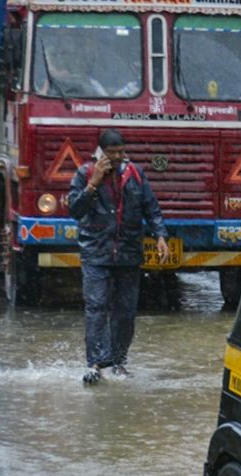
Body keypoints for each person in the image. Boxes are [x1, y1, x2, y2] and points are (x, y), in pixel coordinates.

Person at [67, 129, 169, 385]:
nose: (118, 157)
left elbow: (151, 206)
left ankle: (119, 361)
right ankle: (95, 364)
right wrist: (94, 184)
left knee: (125, 312)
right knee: (97, 307)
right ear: (101, 153)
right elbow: (75, 210)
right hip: (96, 253)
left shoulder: (135, 174)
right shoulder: (85, 173)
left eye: (122, 152)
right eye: (112, 153)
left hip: (129, 253)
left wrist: (160, 236)